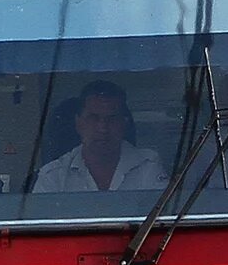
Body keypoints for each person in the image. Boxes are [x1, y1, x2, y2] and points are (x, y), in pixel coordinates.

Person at [30, 80, 169, 197]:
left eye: (112, 119)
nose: (103, 128)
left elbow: (163, 222)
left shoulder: (148, 165)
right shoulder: (53, 176)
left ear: (124, 124)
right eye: (93, 118)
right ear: (78, 123)